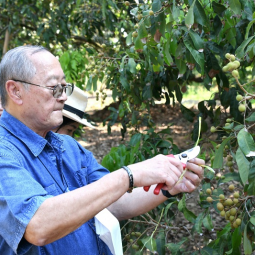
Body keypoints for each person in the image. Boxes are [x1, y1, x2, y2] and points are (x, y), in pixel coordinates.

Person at [0, 45, 204, 255]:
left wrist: (169, 186)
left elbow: (112, 202)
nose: (63, 97)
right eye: (54, 88)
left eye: (64, 87)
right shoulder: (5, 153)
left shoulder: (67, 146)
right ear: (15, 91)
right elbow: (37, 226)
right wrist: (129, 176)